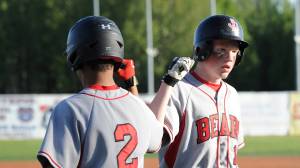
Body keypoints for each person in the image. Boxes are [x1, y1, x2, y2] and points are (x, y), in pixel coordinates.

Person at [36, 15, 194, 168]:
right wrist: (142, 83)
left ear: (74, 55)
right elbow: (155, 140)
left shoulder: (70, 109)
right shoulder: (137, 106)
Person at [149, 14, 249, 167]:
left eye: (235, 51)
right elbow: (152, 138)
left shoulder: (232, 94)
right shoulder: (179, 90)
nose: (230, 57)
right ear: (202, 50)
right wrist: (168, 83)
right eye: (222, 50)